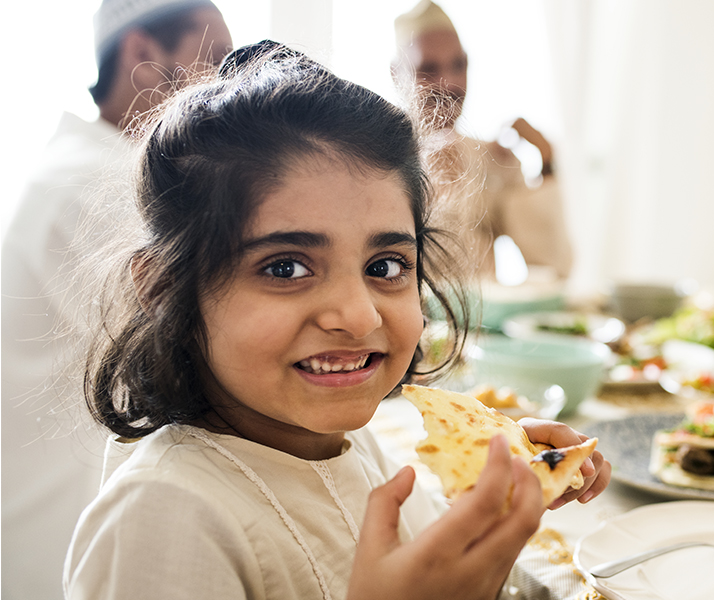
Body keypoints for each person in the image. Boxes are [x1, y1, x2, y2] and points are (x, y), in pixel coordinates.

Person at [63, 41, 610, 599]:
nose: (358, 314)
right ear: (161, 287)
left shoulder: (348, 438)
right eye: (285, 267)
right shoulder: (161, 521)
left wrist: (489, 508)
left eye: (386, 265)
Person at [1, 1, 233, 597]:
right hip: (54, 538)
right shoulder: (91, 187)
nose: (227, 96)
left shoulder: (88, 169)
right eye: (213, 65)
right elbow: (198, 358)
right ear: (140, 55)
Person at [392, 0, 574, 281]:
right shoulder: (378, 162)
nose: (449, 84)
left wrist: (546, 160)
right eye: (428, 68)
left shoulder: (489, 160)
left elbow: (553, 270)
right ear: (397, 74)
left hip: (482, 325)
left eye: (458, 65)